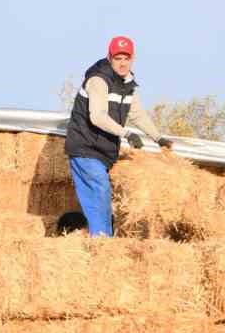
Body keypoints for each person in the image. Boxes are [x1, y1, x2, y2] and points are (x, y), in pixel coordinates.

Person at [64, 35, 171, 237]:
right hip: (85, 148)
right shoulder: (98, 80)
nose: (122, 63)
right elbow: (97, 117)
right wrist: (126, 133)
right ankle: (102, 244)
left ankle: (102, 239)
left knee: (104, 197)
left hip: (104, 151)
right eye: (118, 58)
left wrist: (158, 138)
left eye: (126, 58)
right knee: (100, 190)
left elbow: (137, 114)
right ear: (109, 57)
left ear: (133, 59)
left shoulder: (128, 85)